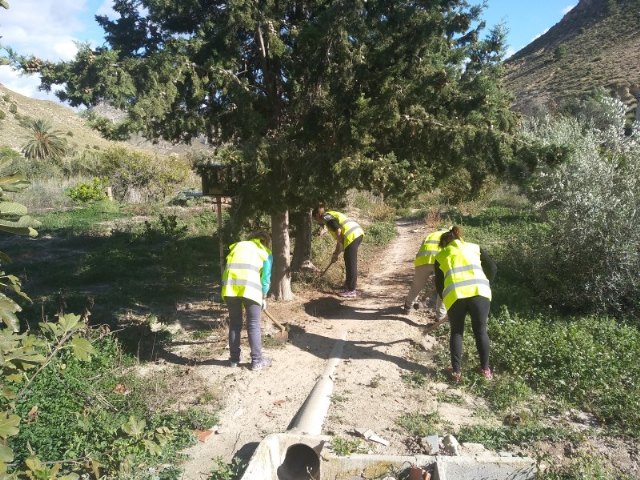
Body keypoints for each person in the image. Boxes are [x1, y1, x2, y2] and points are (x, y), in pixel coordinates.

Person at [434, 226, 497, 382]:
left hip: (456, 296)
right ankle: (485, 371)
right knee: (481, 331)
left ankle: (456, 372)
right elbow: (493, 268)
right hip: (480, 293)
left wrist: (447, 301)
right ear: (458, 237)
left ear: (444, 244)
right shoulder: (474, 247)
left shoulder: (441, 256)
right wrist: (486, 283)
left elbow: (439, 285)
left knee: (457, 332)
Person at [221, 231, 273, 370]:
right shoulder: (265, 252)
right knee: (253, 325)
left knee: (235, 324)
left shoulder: (237, 246)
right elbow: (265, 278)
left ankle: (234, 360)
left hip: (230, 288)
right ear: (266, 242)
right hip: (251, 289)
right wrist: (263, 297)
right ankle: (257, 361)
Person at [312, 206, 364, 298]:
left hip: (352, 235)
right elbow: (339, 241)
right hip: (356, 233)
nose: (317, 222)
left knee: (350, 263)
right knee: (348, 260)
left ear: (317, 215)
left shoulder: (326, 217)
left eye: (316, 219)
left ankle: (351, 290)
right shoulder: (330, 214)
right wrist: (335, 254)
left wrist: (340, 242)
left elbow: (338, 230)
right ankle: (348, 286)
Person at [403, 227, 449, 320]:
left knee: (417, 285)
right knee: (442, 288)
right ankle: (440, 316)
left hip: (422, 260)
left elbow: (421, 250)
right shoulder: (449, 236)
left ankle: (408, 306)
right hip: (439, 261)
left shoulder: (430, 235)